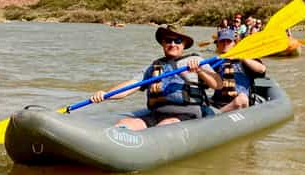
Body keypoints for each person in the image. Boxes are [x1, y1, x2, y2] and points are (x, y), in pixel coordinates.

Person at [90, 25, 222, 130]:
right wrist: (106, 95)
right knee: (124, 123)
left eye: (177, 41)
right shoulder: (154, 66)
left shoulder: (196, 60)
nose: (173, 44)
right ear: (163, 43)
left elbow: (218, 84)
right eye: (168, 40)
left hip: (187, 114)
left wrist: (199, 71)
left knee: (166, 125)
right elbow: (130, 86)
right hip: (157, 114)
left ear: (184, 44)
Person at [210, 28, 266, 112]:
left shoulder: (246, 60)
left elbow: (262, 69)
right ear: (217, 45)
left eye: (228, 41)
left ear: (234, 44)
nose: (225, 44)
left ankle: (215, 116)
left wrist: (240, 56)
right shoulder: (214, 62)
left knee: (242, 98)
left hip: (240, 103)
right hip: (218, 103)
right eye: (222, 41)